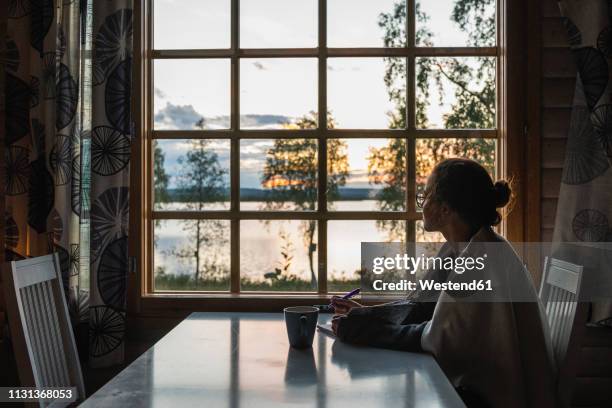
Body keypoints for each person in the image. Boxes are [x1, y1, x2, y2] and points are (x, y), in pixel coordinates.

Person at [331, 158, 557, 408]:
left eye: (426, 194)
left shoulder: (478, 260)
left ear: (445, 209)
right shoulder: (461, 248)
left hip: (491, 399)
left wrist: (363, 331)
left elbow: (439, 342)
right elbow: (423, 307)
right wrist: (369, 316)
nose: (422, 202)